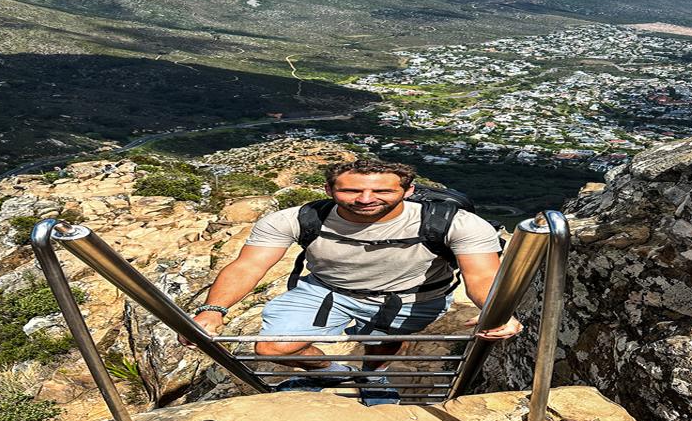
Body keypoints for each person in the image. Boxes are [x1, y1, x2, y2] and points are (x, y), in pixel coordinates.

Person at [182, 159, 522, 403]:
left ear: (409, 190)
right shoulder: (296, 219)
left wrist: (496, 310)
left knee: (383, 343)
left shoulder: (455, 223)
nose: (365, 199)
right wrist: (213, 310)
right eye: (351, 190)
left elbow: (482, 275)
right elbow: (248, 265)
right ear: (329, 189)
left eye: (382, 190)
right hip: (328, 289)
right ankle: (333, 372)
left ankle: (374, 375)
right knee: (272, 347)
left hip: (411, 295)